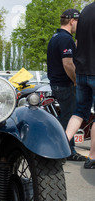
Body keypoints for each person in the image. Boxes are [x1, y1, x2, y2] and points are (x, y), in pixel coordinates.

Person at [46, 9, 86, 161]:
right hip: (65, 84)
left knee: (65, 116)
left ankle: (65, 150)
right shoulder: (65, 39)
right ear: (72, 21)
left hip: (56, 83)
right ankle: (66, 151)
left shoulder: (56, 37)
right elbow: (68, 63)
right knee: (70, 118)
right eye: (78, 23)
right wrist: (76, 80)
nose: (78, 27)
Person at [65, 2, 95, 169]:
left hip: (82, 71)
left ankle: (60, 149)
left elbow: (77, 44)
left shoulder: (85, 11)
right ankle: (92, 157)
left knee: (79, 113)